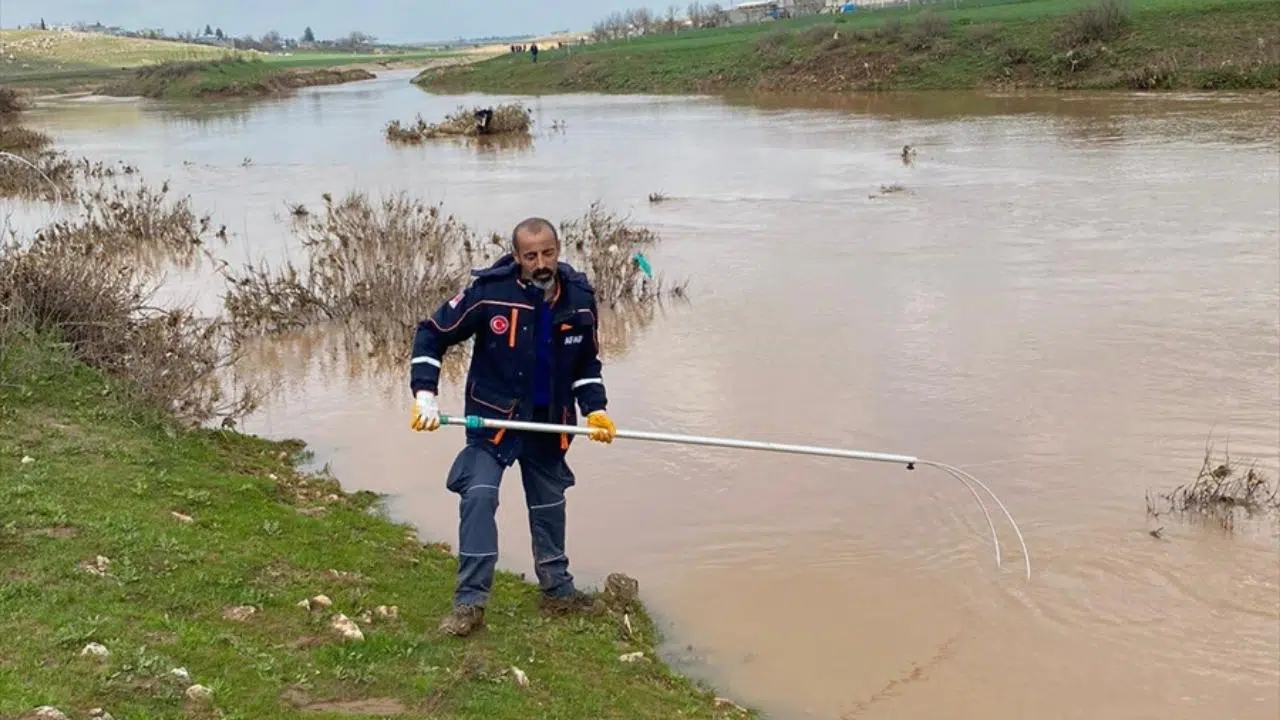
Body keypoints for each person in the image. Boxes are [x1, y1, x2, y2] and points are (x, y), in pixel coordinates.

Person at [408, 216, 617, 637]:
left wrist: (595, 409)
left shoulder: (579, 298)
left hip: (549, 424)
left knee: (549, 505)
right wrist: (424, 395)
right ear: (517, 256)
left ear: (558, 250)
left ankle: (558, 591)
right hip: (494, 420)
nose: (541, 263)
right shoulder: (489, 293)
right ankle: (470, 604)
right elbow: (432, 334)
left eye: (548, 253)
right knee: (479, 497)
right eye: (530, 255)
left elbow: (587, 364)